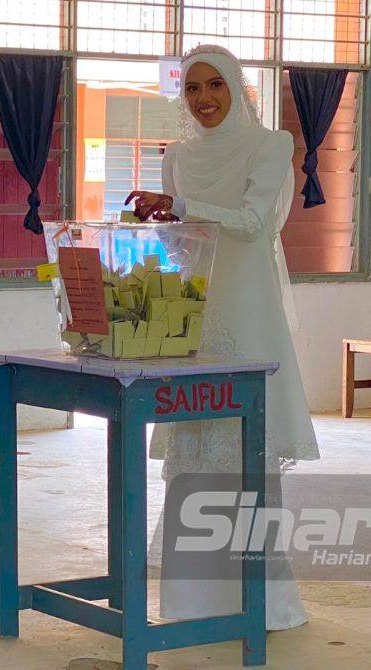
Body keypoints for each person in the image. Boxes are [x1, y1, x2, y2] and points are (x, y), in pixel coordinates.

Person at [126, 45, 320, 630]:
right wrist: (162, 225)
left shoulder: (271, 145)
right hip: (197, 315)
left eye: (216, 85)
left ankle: (264, 606)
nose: (204, 98)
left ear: (238, 88)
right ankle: (193, 605)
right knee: (196, 448)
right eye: (192, 88)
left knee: (247, 454)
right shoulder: (176, 156)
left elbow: (254, 223)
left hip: (250, 313)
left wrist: (180, 205)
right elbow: (186, 245)